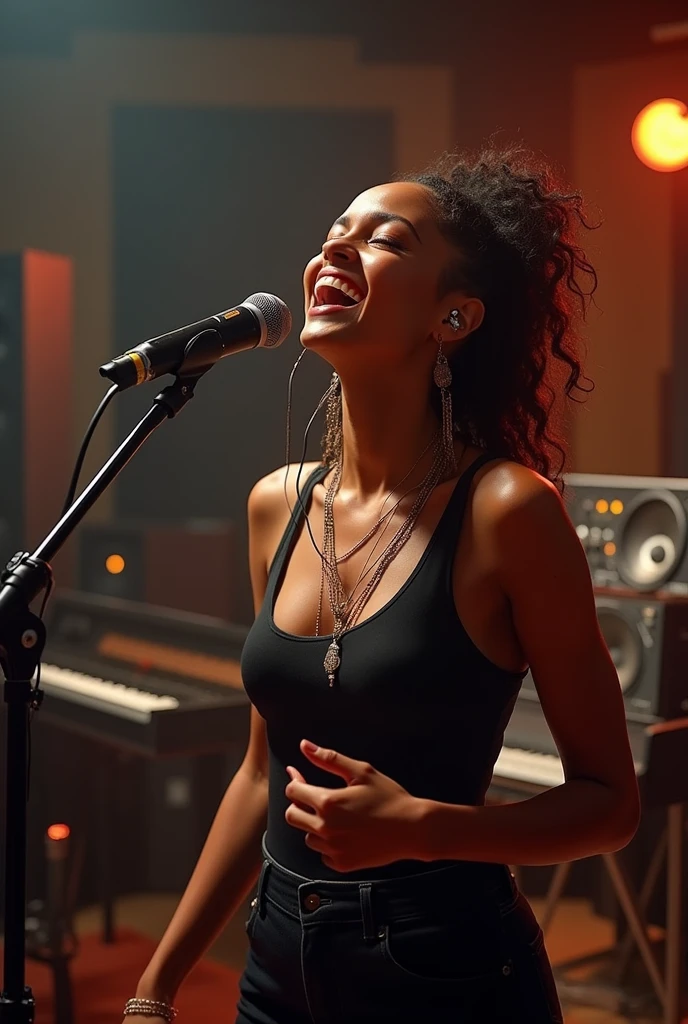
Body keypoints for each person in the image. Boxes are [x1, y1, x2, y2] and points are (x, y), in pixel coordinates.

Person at [122, 145, 640, 1024]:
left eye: (384, 241)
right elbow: (260, 774)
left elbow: (609, 806)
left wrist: (425, 827)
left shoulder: (507, 511)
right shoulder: (277, 503)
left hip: (446, 967)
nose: (336, 252)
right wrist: (153, 987)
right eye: (333, 236)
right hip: (277, 958)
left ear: (456, 316)